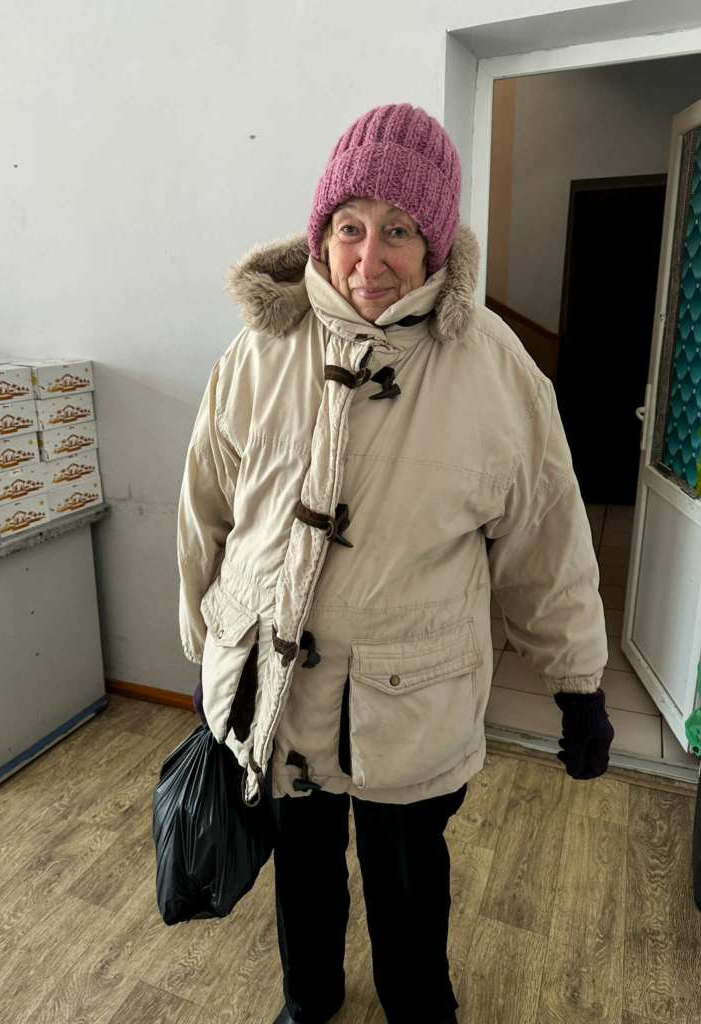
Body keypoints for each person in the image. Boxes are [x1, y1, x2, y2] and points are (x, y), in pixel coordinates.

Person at [178, 103, 615, 1024]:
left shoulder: (495, 370)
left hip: (411, 700)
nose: (367, 261)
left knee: (407, 873)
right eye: (349, 227)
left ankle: (418, 1003)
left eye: (399, 231)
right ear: (321, 231)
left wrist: (577, 681)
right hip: (277, 682)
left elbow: (548, 534)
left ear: (437, 245)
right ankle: (310, 998)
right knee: (301, 864)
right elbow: (205, 507)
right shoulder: (260, 350)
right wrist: (206, 647)